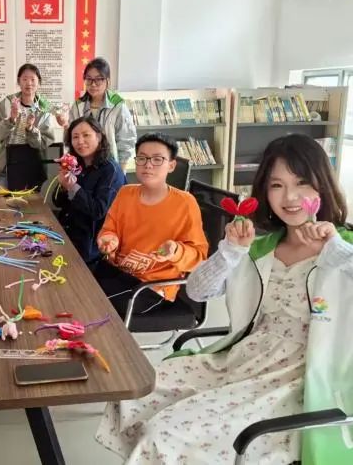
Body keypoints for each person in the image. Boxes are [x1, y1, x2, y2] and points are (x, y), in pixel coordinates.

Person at [96, 134, 353, 465]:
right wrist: (230, 252)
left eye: (302, 183)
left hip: (300, 377)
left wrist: (335, 250)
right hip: (244, 358)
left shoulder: (342, 247)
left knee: (164, 434)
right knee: (134, 390)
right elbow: (197, 292)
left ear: (322, 184)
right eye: (277, 185)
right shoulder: (261, 248)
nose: (290, 197)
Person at [94, 132, 208, 318]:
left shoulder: (185, 203)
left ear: (171, 165)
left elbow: (199, 258)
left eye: (157, 159)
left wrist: (176, 251)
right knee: (76, 285)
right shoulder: (125, 193)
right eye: (142, 158)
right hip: (118, 273)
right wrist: (109, 239)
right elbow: (109, 229)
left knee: (89, 302)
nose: (148, 165)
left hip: (151, 288)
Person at [52, 116, 125, 264]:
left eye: (86, 135)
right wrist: (63, 185)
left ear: (99, 137)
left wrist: (72, 187)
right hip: (67, 234)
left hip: (91, 248)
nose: (80, 141)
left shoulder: (111, 171)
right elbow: (58, 202)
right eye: (75, 137)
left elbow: (98, 211)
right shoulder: (77, 165)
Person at [56, 57, 136, 172]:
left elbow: (126, 141)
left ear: (107, 81)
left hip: (109, 166)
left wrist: (120, 171)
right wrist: (65, 125)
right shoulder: (78, 105)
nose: (93, 84)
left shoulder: (117, 106)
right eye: (89, 79)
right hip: (83, 165)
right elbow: (71, 137)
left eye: (98, 79)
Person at [0, 63, 55, 190]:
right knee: (2, 199)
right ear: (19, 81)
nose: (29, 83)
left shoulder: (45, 109)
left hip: (34, 164)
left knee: (31, 201)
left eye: (33, 79)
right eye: (24, 79)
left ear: (39, 82)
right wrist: (11, 119)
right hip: (6, 163)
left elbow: (44, 143)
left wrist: (31, 129)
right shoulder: (7, 103)